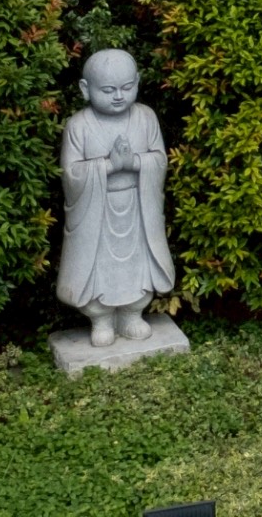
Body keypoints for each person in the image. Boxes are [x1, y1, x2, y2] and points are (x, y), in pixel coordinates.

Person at [56, 48, 175, 347]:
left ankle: (132, 316)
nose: (118, 96)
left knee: (138, 263)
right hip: (95, 213)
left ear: (137, 82)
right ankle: (101, 320)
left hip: (137, 206)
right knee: (96, 266)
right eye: (108, 90)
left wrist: (135, 163)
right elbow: (71, 173)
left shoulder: (146, 118)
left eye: (126, 87)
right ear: (86, 89)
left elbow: (159, 160)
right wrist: (108, 166)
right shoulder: (79, 126)